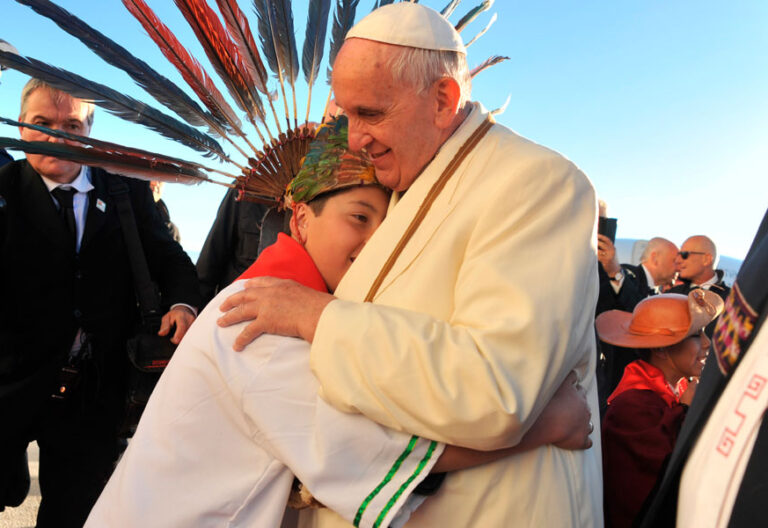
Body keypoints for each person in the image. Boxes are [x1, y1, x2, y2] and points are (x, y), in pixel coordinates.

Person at [86, 117, 593, 528]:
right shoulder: (261, 323)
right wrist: (547, 424)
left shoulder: (274, 299)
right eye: (359, 218)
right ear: (301, 219)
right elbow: (385, 457)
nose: (375, 243)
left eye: (388, 229)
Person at [217, 4, 603, 526]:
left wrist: (318, 317)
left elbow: (494, 392)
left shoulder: (537, 184)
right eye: (346, 114)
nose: (353, 139)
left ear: (444, 99)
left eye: (371, 114)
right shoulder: (400, 181)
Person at [0, 79, 200, 527]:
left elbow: (169, 258)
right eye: (42, 123)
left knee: (74, 513)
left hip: (92, 390)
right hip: (9, 379)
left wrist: (184, 305)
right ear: (21, 127)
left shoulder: (124, 192)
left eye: (72, 123)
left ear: (89, 130)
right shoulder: (4, 189)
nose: (58, 135)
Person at [639, 208, 768, 527]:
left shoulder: (732, 293)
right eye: (696, 335)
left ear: (707, 258)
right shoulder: (638, 403)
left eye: (685, 253)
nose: (678, 260)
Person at [597, 291, 723, 527]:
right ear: (661, 349)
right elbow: (660, 481)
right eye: (697, 335)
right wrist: (687, 410)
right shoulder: (631, 406)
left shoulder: (680, 388)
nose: (708, 343)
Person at [596, 236, 680, 410]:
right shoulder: (625, 275)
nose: (679, 267)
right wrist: (615, 273)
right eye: (674, 261)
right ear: (655, 258)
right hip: (613, 383)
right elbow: (634, 311)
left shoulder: (663, 295)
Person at [196, 187, 270, 305]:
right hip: (232, 309)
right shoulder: (245, 190)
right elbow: (213, 254)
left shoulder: (308, 199)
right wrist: (194, 308)